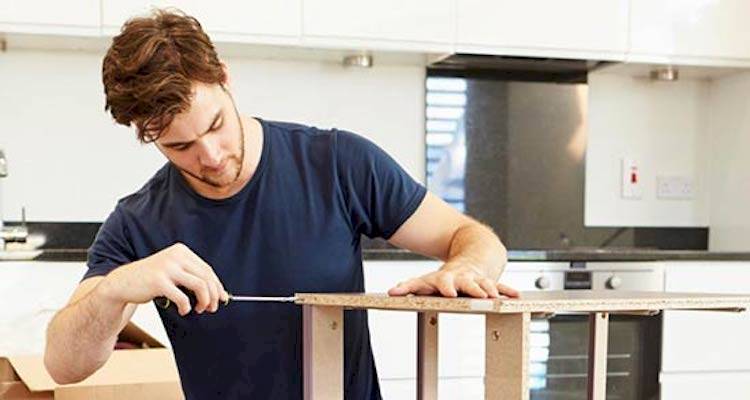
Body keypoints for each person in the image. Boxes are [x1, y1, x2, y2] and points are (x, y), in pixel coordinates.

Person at [43, 9, 518, 400]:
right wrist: (115, 289)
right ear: (147, 137)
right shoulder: (138, 223)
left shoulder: (338, 162)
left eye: (214, 126)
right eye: (179, 146)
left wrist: (464, 268)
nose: (209, 157)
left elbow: (474, 239)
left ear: (224, 78)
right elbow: (63, 366)